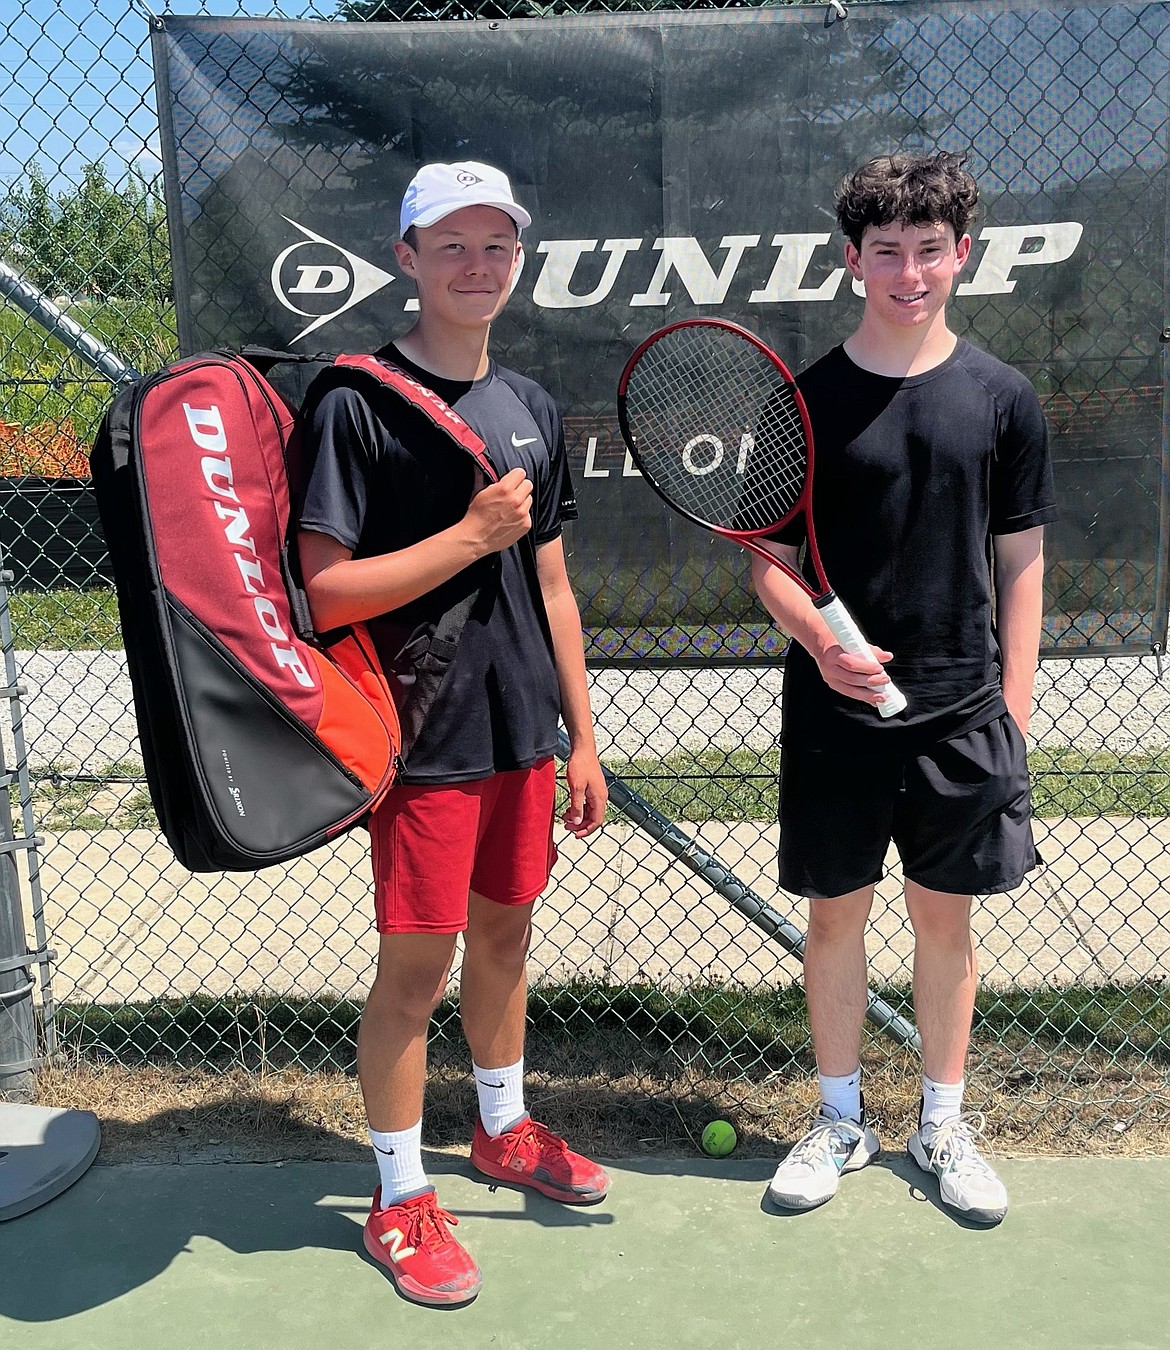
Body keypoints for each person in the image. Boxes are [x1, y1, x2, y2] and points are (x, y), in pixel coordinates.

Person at [297, 160, 608, 1306]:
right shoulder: (355, 401)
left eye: (497, 247)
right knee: (414, 973)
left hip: (525, 733)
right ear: (406, 258)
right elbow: (325, 592)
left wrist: (582, 736)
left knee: (508, 945)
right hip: (421, 740)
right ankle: (397, 1198)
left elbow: (558, 587)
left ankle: (502, 1131)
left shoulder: (528, 404)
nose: (478, 268)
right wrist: (471, 535)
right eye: (453, 246)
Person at [751, 152, 1056, 1226]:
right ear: (852, 261)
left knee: (945, 926)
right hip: (833, 719)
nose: (910, 271)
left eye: (930, 250)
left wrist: (1012, 710)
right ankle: (839, 1119)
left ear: (961, 255)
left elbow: (1020, 563)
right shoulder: (806, 399)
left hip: (964, 718)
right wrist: (821, 644)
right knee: (835, 921)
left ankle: (940, 1124)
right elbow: (770, 567)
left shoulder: (1004, 399)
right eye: (888, 251)